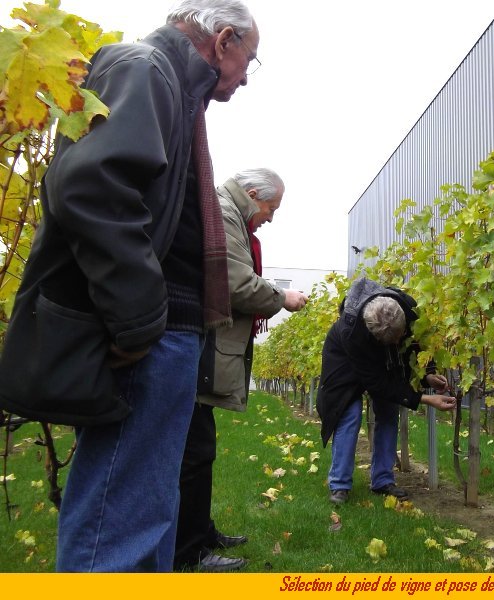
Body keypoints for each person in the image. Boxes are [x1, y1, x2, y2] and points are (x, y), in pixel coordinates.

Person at [0, 0, 261, 572]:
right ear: (223, 40)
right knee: (120, 524)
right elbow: (93, 188)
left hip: (165, 332)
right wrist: (140, 321)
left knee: (147, 509)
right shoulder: (145, 69)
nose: (246, 77)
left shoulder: (173, 88)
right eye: (250, 60)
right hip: (152, 334)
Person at [174, 168, 308, 572]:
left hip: (199, 344)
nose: (270, 217)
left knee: (200, 449)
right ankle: (189, 553)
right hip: (197, 345)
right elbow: (233, 282)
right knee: (194, 453)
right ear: (252, 194)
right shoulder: (223, 212)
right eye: (271, 208)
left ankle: (201, 532)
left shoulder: (225, 211)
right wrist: (281, 297)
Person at [316, 277, 456, 504]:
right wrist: (424, 399)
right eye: (392, 341)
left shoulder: (407, 307)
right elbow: (377, 383)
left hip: (380, 358)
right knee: (349, 414)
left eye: (400, 336)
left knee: (388, 411)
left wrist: (427, 373)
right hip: (343, 361)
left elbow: (418, 342)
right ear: (376, 337)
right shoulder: (351, 332)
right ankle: (340, 485)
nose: (399, 341)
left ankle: (382, 481)